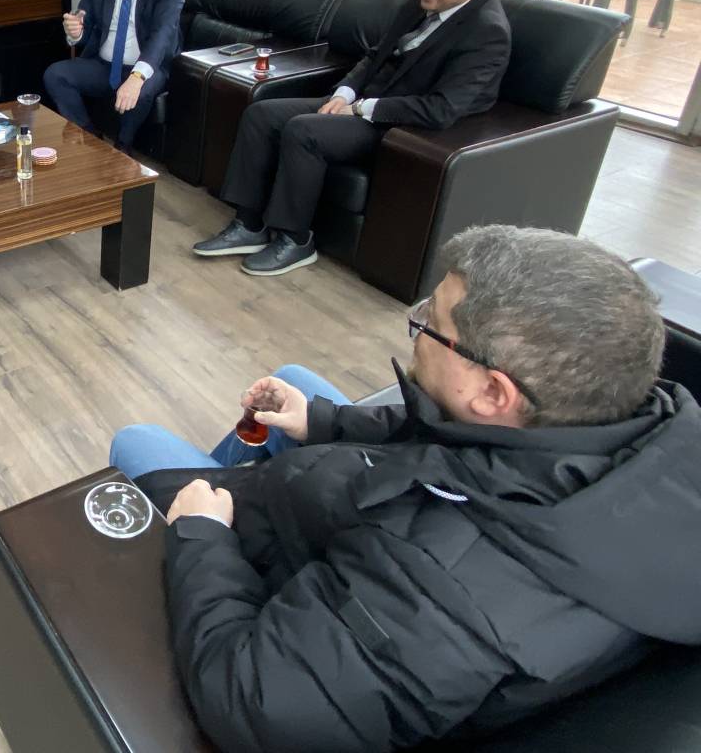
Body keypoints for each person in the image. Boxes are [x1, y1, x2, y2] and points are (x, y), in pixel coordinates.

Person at [110, 225, 701, 752]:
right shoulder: (623, 423)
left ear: (493, 392)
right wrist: (323, 422)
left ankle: (199, 502)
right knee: (294, 382)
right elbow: (456, 440)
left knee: (139, 442)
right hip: (376, 509)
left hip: (311, 577)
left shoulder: (445, 604)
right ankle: (228, 478)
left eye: (430, 325)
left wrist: (203, 538)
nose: (416, 332)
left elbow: (253, 703)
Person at [193, 0, 511, 276]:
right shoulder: (420, 2)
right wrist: (343, 93)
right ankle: (249, 224)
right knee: (262, 114)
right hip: (362, 103)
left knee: (304, 131)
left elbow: (440, 109)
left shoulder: (487, 33)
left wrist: (362, 108)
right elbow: (375, 55)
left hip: (402, 127)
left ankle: (295, 240)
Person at [42, 0, 184, 154]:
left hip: (147, 66)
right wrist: (76, 31)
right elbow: (85, 21)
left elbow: (163, 33)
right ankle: (90, 138)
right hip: (104, 64)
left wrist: (137, 77)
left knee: (139, 92)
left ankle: (122, 147)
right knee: (55, 75)